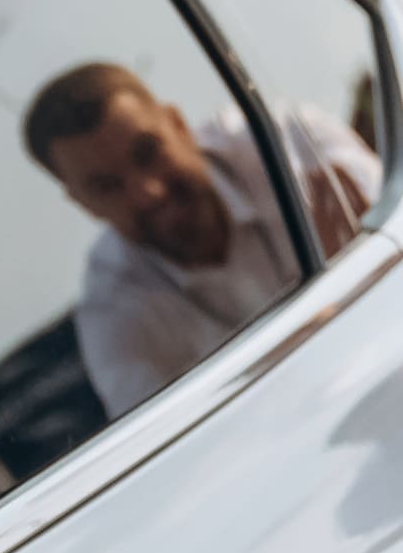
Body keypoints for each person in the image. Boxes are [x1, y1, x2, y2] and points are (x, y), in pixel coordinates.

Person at [22, 61, 365, 420]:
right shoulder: (112, 310)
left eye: (147, 152)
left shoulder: (290, 146)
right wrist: (332, 291)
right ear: (83, 204)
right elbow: (163, 447)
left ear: (179, 124)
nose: (147, 193)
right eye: (107, 186)